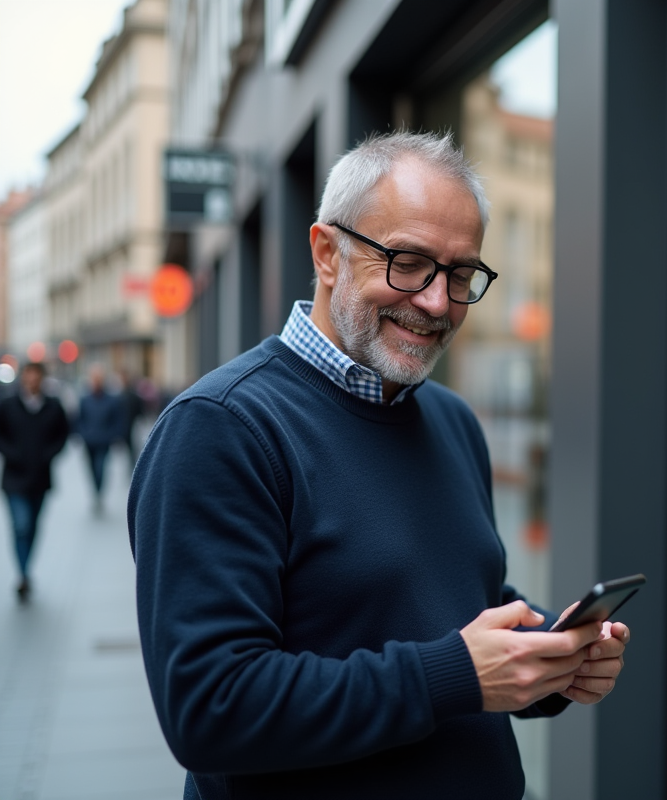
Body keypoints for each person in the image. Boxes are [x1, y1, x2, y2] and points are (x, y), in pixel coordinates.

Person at [129, 132, 630, 800]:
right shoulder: (222, 428)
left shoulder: (450, 420)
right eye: (409, 261)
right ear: (327, 253)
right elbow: (211, 709)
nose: (436, 302)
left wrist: (549, 653)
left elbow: (454, 606)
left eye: (459, 274)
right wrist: (455, 673)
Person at [0, 362, 70, 603]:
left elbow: (64, 434)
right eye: (27, 378)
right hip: (14, 477)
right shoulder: (8, 405)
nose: (31, 382)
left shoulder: (53, 406)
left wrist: (48, 455)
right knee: (21, 524)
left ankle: (26, 568)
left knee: (33, 526)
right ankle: (23, 575)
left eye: (35, 378)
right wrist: (12, 454)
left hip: (40, 477)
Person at [76, 364, 124, 514]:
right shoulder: (85, 399)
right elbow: (79, 419)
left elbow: (118, 420)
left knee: (100, 468)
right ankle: (95, 493)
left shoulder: (112, 400)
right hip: (89, 442)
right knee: (91, 469)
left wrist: (113, 435)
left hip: (104, 441)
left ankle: (99, 494)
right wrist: (82, 433)